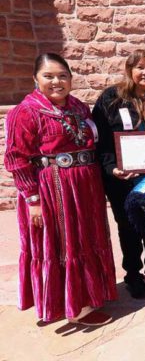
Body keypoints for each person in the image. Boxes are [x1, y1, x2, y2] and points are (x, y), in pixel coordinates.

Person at [4, 53, 117, 325]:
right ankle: (73, 307)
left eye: (63, 75)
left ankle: (91, 295)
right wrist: (33, 200)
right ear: (35, 79)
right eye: (49, 76)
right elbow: (17, 159)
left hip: (86, 186)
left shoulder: (78, 106)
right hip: (54, 189)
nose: (57, 82)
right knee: (63, 244)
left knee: (87, 239)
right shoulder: (26, 112)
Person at [93, 49, 145, 298]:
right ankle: (133, 274)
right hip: (123, 179)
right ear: (129, 70)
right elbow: (101, 140)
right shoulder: (111, 98)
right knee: (129, 227)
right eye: (140, 67)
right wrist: (111, 168)